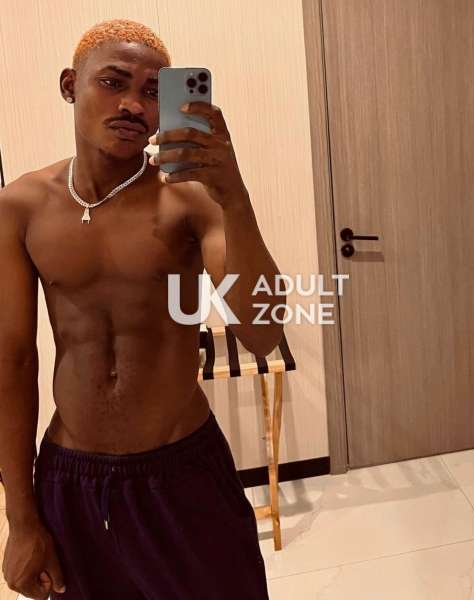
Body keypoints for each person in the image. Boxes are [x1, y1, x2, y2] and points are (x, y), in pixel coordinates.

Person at [0, 18, 284, 600]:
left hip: (182, 473)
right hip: (71, 477)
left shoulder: (192, 200)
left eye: (154, 91)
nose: (133, 104)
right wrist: (21, 519)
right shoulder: (21, 207)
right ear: (69, 85)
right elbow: (11, 364)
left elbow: (263, 332)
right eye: (113, 82)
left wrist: (234, 194)